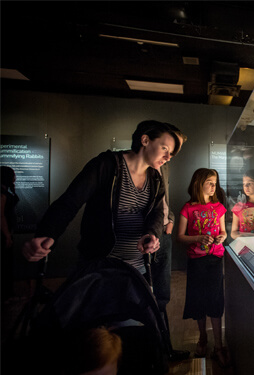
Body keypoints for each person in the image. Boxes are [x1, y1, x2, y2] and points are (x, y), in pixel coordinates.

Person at [22, 120, 179, 279]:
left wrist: (150, 234)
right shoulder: (107, 165)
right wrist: (48, 232)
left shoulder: (155, 178)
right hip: (100, 265)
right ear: (145, 140)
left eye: (171, 153)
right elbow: (71, 201)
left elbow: (157, 212)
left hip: (137, 268)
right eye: (164, 148)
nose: (168, 157)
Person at [176, 168, 230, 368]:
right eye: (209, 182)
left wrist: (222, 237)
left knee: (215, 302)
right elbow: (180, 236)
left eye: (215, 182)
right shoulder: (188, 208)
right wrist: (198, 238)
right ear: (198, 183)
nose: (213, 186)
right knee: (198, 301)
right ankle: (202, 339)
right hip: (196, 261)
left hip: (215, 259)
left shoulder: (219, 207)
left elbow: (223, 231)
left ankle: (218, 345)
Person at [152, 124, 190, 362]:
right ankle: (155, 351)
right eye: (168, 147)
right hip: (149, 238)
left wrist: (171, 220)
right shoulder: (145, 165)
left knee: (162, 295)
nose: (171, 154)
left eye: (175, 150)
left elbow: (163, 200)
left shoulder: (163, 167)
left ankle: (165, 350)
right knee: (147, 295)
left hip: (163, 234)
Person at [1, 166, 20, 304]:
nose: (15, 177)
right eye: (13, 175)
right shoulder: (1, 193)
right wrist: (7, 235)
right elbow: (0, 216)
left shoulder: (5, 191)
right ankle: (5, 296)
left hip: (6, 233)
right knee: (5, 265)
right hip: (3, 235)